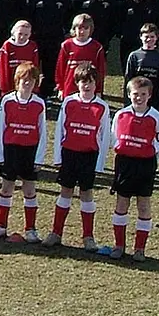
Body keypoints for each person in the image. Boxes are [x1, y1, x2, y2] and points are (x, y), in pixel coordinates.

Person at [48, 64, 111, 249]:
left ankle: (88, 237)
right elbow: (60, 129)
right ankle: (56, 233)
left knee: (86, 194)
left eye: (90, 82)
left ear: (96, 84)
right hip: (69, 154)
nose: (87, 86)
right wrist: (58, 158)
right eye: (83, 82)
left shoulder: (102, 107)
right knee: (65, 191)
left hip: (89, 156)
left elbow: (104, 136)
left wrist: (100, 164)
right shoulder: (69, 102)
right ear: (77, 83)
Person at [0, 62, 48, 242]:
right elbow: (1, 127)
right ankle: (1, 226)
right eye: (24, 80)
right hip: (11, 150)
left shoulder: (39, 103)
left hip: (29, 151)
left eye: (31, 80)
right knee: (6, 187)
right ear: (17, 81)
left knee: (29, 190)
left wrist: (39, 158)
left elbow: (42, 132)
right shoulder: (7, 101)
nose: (27, 83)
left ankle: (30, 229)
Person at [110, 76, 159, 259]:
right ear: (129, 94)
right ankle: (119, 246)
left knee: (143, 205)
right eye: (135, 94)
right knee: (122, 202)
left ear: (149, 95)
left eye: (143, 94)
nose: (139, 98)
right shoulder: (121, 115)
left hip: (145, 165)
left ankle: (140, 248)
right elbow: (114, 138)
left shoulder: (156, 117)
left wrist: (149, 159)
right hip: (124, 164)